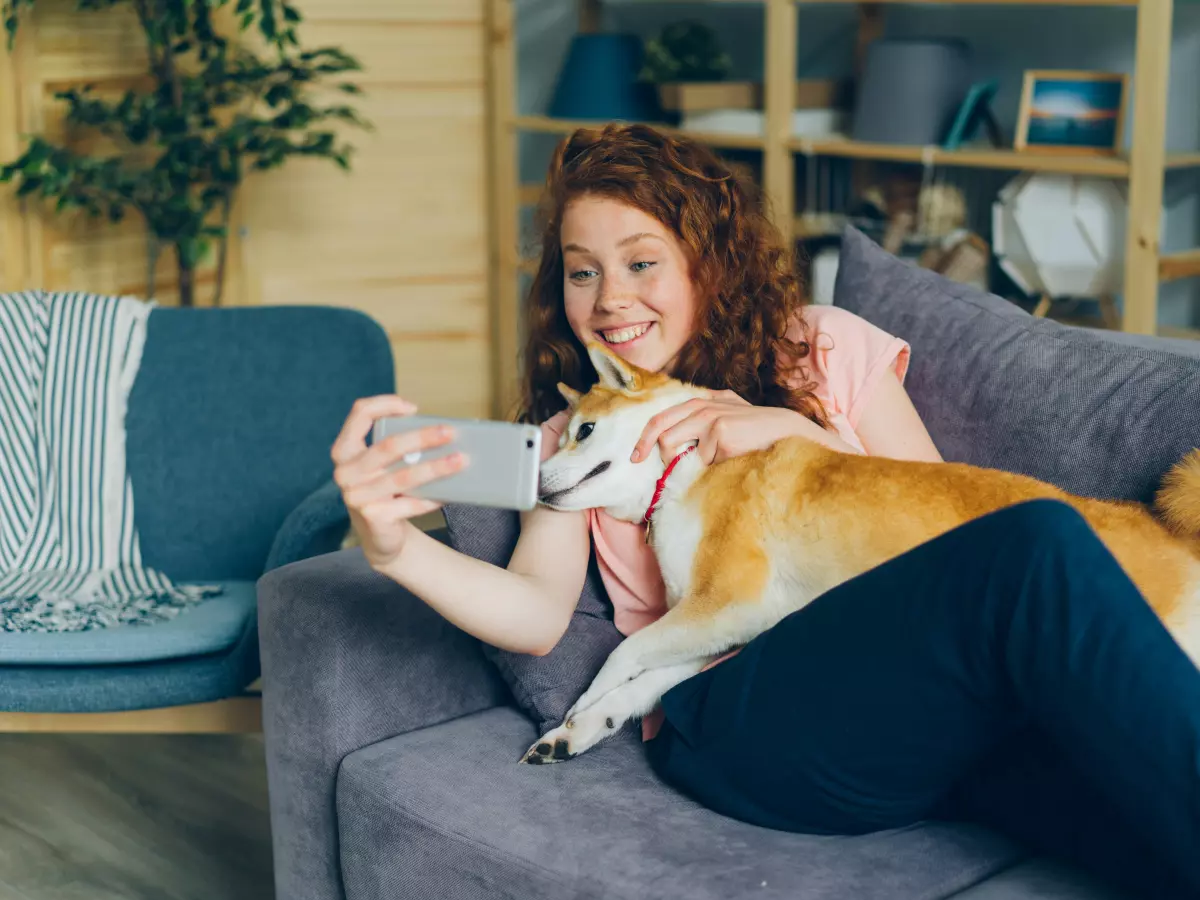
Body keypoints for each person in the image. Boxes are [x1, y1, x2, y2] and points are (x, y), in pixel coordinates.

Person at [330, 123, 1200, 897]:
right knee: (1043, 542)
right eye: (580, 272)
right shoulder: (579, 437)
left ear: (709, 260)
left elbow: (957, 526)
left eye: (641, 262)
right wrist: (395, 546)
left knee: (1117, 811)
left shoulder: (817, 350)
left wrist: (799, 434)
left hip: (913, 713)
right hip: (743, 727)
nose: (609, 300)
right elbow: (530, 615)